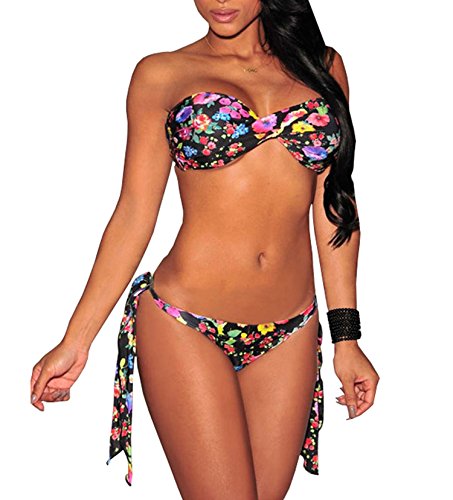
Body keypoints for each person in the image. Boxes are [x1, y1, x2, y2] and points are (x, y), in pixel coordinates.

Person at [30, 1, 380, 497]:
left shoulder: (322, 67)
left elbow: (335, 204)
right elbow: (134, 213)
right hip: (185, 322)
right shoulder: (162, 74)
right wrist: (76, 340)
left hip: (291, 331)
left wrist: (347, 338)